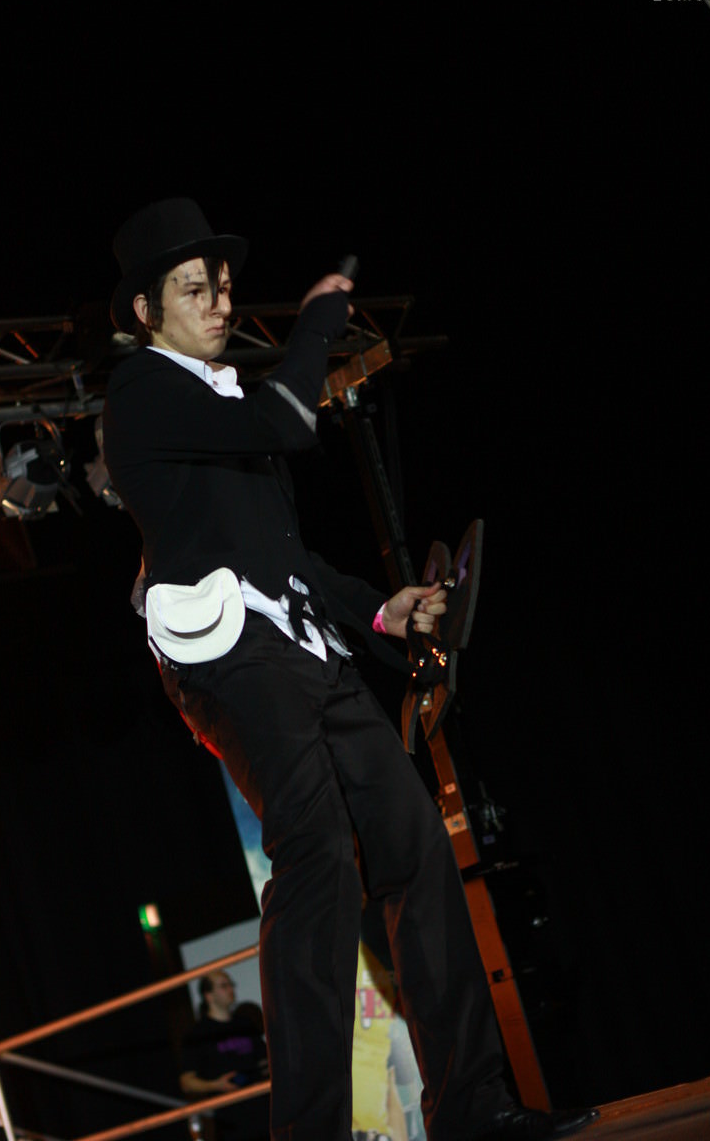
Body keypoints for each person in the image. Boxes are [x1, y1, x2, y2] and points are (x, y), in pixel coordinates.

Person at [102, 198, 599, 1141]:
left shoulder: (227, 401)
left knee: (414, 840)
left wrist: (378, 609)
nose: (220, 304)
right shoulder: (142, 395)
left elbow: (282, 558)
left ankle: (471, 1107)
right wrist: (317, 326)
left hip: (303, 647)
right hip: (229, 658)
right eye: (196, 290)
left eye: (224, 288)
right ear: (143, 310)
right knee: (319, 854)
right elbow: (292, 421)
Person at [180, 970, 269, 1141]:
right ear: (209, 996)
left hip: (264, 1112)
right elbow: (186, 1082)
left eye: (230, 984)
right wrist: (215, 1085)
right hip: (233, 1122)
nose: (231, 989)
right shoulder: (198, 1034)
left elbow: (265, 1059)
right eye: (223, 986)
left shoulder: (245, 1024)